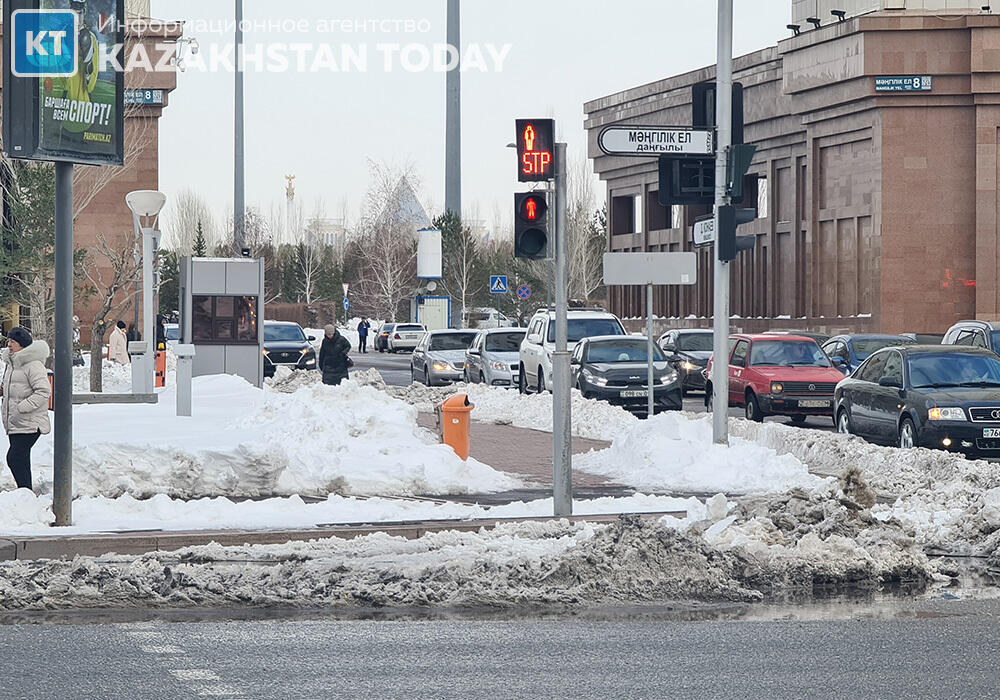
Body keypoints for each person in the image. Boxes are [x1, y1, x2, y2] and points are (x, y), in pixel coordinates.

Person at [0, 327, 51, 491]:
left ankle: (25, 492)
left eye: (13, 342)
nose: (9, 345)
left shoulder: (33, 365)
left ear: (22, 345)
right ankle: (26, 494)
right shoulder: (12, 364)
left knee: (14, 458)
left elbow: (44, 391)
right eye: (8, 341)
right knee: (21, 459)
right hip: (15, 421)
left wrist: (21, 407)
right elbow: (15, 387)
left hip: (30, 422)